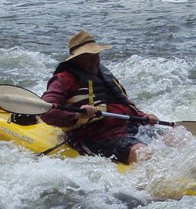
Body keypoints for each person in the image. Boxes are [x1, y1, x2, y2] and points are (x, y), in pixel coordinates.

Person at [40, 30, 160, 165]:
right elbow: (45, 110)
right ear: (76, 60)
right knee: (143, 152)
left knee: (175, 138)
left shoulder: (104, 75)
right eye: (88, 58)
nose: (94, 62)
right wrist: (76, 114)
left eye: (96, 56)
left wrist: (144, 115)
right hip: (96, 137)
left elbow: (122, 103)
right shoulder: (63, 80)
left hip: (130, 128)